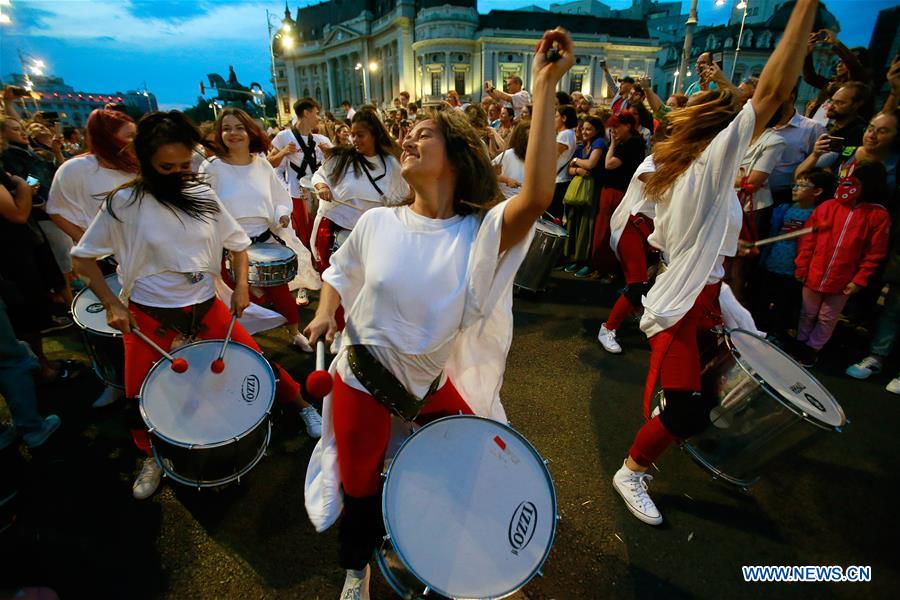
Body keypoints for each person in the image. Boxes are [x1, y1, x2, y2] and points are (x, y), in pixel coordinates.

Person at [303, 29, 574, 599]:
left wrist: (545, 85)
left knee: (472, 465)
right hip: (362, 379)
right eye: (408, 132)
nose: (407, 138)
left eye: (423, 133)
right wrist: (327, 313)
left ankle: (475, 562)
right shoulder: (377, 222)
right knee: (359, 487)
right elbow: (337, 275)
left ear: (454, 156)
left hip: (427, 381)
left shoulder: (479, 232)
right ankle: (356, 569)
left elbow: (537, 197)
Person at [612, 0, 819, 527]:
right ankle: (630, 472)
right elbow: (771, 92)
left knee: (710, 397)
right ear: (725, 137)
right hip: (682, 303)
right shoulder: (707, 166)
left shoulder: (698, 171)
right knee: (687, 406)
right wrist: (804, 8)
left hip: (707, 294)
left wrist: (728, 257)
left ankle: (667, 427)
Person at [71, 111, 321, 501]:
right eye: (166, 167)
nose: (178, 175)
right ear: (144, 160)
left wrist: (241, 287)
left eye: (184, 165)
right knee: (137, 392)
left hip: (204, 304)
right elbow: (82, 259)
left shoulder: (202, 194)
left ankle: (303, 405)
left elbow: (238, 245)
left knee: (255, 361)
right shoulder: (124, 202)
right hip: (147, 312)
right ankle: (150, 456)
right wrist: (110, 304)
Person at [201, 107, 321, 358]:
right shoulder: (211, 168)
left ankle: (293, 332)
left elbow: (279, 199)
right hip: (228, 248)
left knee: (282, 295)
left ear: (250, 132)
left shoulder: (262, 166)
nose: (233, 133)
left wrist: (281, 215)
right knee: (233, 300)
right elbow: (203, 207)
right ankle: (244, 345)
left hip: (264, 242)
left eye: (239, 128)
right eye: (226, 128)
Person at [793, 162, 890, 367]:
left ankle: (812, 348)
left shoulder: (877, 215)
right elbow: (808, 239)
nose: (847, 187)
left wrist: (859, 280)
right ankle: (800, 343)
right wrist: (802, 266)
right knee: (807, 312)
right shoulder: (827, 207)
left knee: (827, 317)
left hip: (843, 281)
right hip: (814, 273)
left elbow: (874, 253)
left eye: (854, 183)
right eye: (845, 181)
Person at [310, 109, 409, 277]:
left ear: (374, 135)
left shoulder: (391, 163)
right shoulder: (342, 158)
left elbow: (402, 199)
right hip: (338, 229)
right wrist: (322, 187)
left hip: (373, 235)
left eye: (360, 135)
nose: (354, 139)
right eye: (352, 135)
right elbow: (320, 175)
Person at [752, 168, 833, 343]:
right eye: (795, 185)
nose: (795, 189)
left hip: (792, 270)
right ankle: (756, 329)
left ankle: (777, 335)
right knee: (763, 299)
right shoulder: (784, 209)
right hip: (772, 262)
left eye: (802, 186)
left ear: (817, 191)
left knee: (784, 304)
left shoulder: (816, 216)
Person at [598, 155, 658, 353]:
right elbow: (653, 182)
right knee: (637, 282)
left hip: (655, 230)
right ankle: (608, 328)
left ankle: (636, 311)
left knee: (653, 280)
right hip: (631, 225)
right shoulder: (654, 161)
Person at [591, 112, 645, 280]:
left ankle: (609, 269)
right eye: (611, 128)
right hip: (612, 191)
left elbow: (609, 164)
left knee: (609, 230)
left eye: (616, 127)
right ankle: (603, 267)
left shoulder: (633, 143)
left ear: (627, 126)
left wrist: (613, 144)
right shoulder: (627, 142)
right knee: (604, 229)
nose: (613, 131)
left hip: (618, 192)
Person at [562, 116, 606, 277]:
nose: (585, 132)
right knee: (574, 222)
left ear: (597, 130)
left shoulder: (599, 143)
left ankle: (586, 262)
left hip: (592, 191)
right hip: (577, 192)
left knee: (587, 225)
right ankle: (574, 258)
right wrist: (578, 169)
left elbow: (591, 164)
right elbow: (569, 170)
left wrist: (576, 161)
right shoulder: (581, 147)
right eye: (583, 128)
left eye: (589, 129)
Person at [768, 86, 827, 205]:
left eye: (774, 96)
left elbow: (820, 164)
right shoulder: (759, 124)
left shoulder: (813, 128)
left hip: (786, 199)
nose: (769, 100)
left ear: (791, 97)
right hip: (752, 195)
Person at [803, 29, 870, 122]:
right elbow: (810, 77)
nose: (839, 64)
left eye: (844, 62)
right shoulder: (832, 83)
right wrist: (808, 54)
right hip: (817, 125)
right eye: (839, 61)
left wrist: (835, 43)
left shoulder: (859, 84)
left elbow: (853, 66)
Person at [549, 104, 578, 218]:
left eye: (556, 116)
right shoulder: (567, 134)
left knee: (551, 216)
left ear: (564, 118)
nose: (554, 119)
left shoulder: (565, 134)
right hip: (558, 179)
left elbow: (552, 157)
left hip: (559, 180)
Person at [492, 121, 529, 199]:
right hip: (507, 200)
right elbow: (488, 175)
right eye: (527, 139)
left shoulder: (536, 157)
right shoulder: (508, 155)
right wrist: (506, 180)